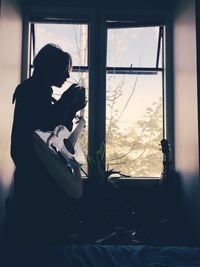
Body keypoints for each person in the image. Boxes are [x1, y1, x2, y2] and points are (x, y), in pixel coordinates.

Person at [6, 43, 86, 246]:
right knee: (40, 241)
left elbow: (55, 134)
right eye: (64, 70)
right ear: (50, 67)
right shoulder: (32, 91)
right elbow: (42, 127)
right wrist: (67, 101)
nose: (67, 76)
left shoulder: (36, 90)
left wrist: (71, 107)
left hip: (36, 175)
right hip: (36, 178)